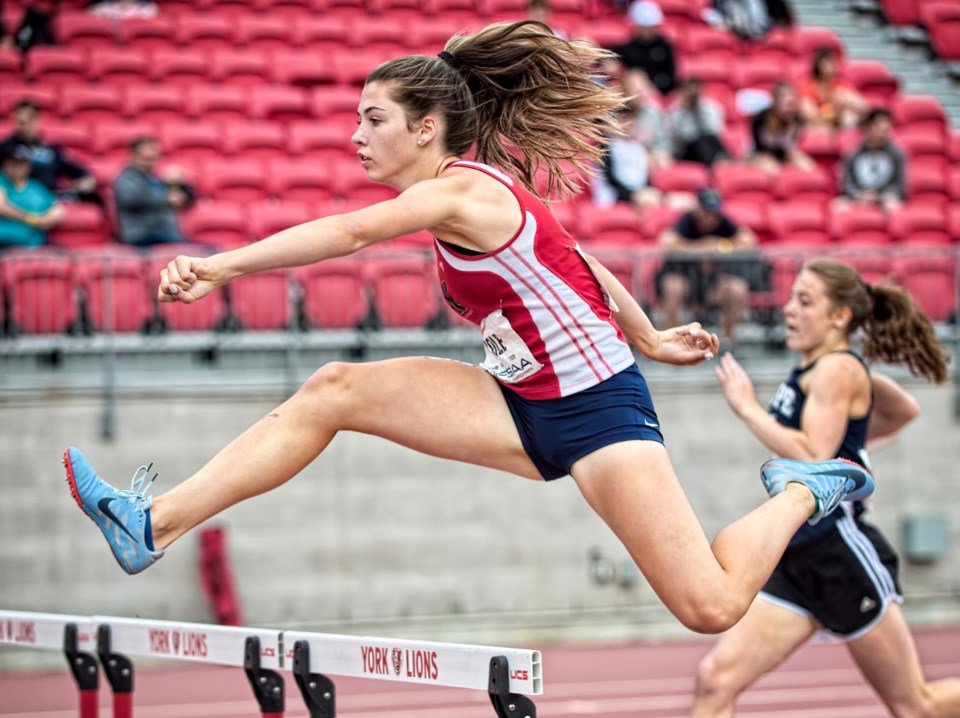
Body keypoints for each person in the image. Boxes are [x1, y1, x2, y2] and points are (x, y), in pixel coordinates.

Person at [63, 21, 873, 636]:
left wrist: (220, 265)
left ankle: (805, 488)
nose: (354, 136)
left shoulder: (464, 194)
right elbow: (577, 257)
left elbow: (348, 233)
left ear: (424, 129)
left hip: (597, 413)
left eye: (372, 118)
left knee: (710, 606)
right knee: (335, 388)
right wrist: (653, 336)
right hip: (518, 404)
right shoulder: (472, 203)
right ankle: (151, 523)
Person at [690, 258, 958, 718]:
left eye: (806, 301)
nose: (789, 309)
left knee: (916, 706)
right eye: (792, 297)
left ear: (839, 317)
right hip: (797, 555)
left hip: (838, 551)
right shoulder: (825, 371)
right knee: (716, 681)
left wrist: (748, 408)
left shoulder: (838, 370)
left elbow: (814, 454)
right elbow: (903, 410)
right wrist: (853, 447)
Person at [656, 187, 759, 345]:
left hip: (712, 281)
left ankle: (726, 341)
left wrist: (721, 247)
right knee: (673, 287)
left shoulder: (722, 220)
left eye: (713, 213)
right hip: (684, 277)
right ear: (697, 209)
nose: (710, 218)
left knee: (737, 289)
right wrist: (702, 247)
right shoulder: (686, 220)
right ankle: (672, 342)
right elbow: (668, 243)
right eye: (706, 212)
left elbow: (748, 241)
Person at [0, 99, 102, 205]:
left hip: (50, 195)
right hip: (19, 195)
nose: (24, 123)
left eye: (29, 118)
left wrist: (85, 180)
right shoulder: (5, 147)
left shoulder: (51, 149)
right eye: (20, 120)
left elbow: (78, 171)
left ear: (37, 119)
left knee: (93, 197)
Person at [114, 136, 195, 248]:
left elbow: (187, 198)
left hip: (163, 234)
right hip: (142, 235)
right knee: (203, 253)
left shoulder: (155, 178)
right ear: (133, 155)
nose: (150, 155)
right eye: (145, 153)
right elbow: (131, 199)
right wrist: (166, 199)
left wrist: (180, 184)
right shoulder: (126, 178)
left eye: (153, 153)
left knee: (207, 252)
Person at [836, 108, 906, 214]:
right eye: (880, 129)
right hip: (858, 195)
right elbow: (846, 183)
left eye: (886, 130)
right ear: (868, 128)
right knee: (838, 207)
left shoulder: (896, 154)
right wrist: (859, 195)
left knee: (894, 207)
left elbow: (898, 184)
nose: (883, 134)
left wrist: (879, 196)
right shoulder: (852, 153)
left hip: (885, 197)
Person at [592, 107, 663, 209]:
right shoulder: (605, 147)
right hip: (614, 194)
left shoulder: (639, 147)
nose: (629, 124)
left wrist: (648, 190)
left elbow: (645, 177)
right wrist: (632, 194)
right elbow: (611, 180)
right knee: (646, 201)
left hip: (638, 192)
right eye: (625, 120)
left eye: (632, 120)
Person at [0, 141, 65, 249]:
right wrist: (32, 219)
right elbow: (1, 206)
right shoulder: (2, 180)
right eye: (13, 163)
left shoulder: (36, 187)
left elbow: (58, 209)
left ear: (29, 166)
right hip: (5, 243)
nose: (17, 167)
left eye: (21, 163)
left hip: (34, 245)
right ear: (4, 165)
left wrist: (48, 219)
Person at [608, 1, 678, 97]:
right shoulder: (626, 48)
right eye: (644, 27)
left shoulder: (664, 47)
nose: (648, 31)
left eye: (651, 27)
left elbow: (670, 79)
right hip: (633, 94)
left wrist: (650, 85)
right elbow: (611, 61)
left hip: (657, 94)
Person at [749, 81, 814, 176]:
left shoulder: (797, 120)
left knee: (807, 166)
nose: (788, 101)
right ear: (775, 100)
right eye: (783, 97)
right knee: (771, 169)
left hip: (784, 153)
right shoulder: (761, 118)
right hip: (760, 152)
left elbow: (791, 146)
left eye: (791, 98)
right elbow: (760, 146)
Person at [798, 49, 867, 131]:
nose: (831, 68)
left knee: (847, 113)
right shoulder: (807, 86)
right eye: (827, 64)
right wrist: (833, 111)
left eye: (832, 64)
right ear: (818, 66)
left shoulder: (841, 84)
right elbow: (811, 116)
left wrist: (846, 102)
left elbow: (863, 106)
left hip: (839, 122)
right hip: (817, 125)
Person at [667, 77, 729, 168]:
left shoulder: (712, 108)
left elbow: (714, 132)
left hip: (709, 147)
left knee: (706, 140)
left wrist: (699, 111)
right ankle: (716, 166)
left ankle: (721, 163)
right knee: (699, 142)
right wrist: (686, 111)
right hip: (686, 151)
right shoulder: (675, 112)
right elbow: (682, 137)